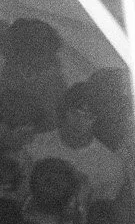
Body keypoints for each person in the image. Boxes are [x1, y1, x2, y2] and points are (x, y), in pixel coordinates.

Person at [20, 79, 125, 216]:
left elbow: (100, 215)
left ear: (98, 120)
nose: (79, 121)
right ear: (64, 111)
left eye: (89, 117)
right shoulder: (34, 145)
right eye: (75, 113)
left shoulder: (111, 166)